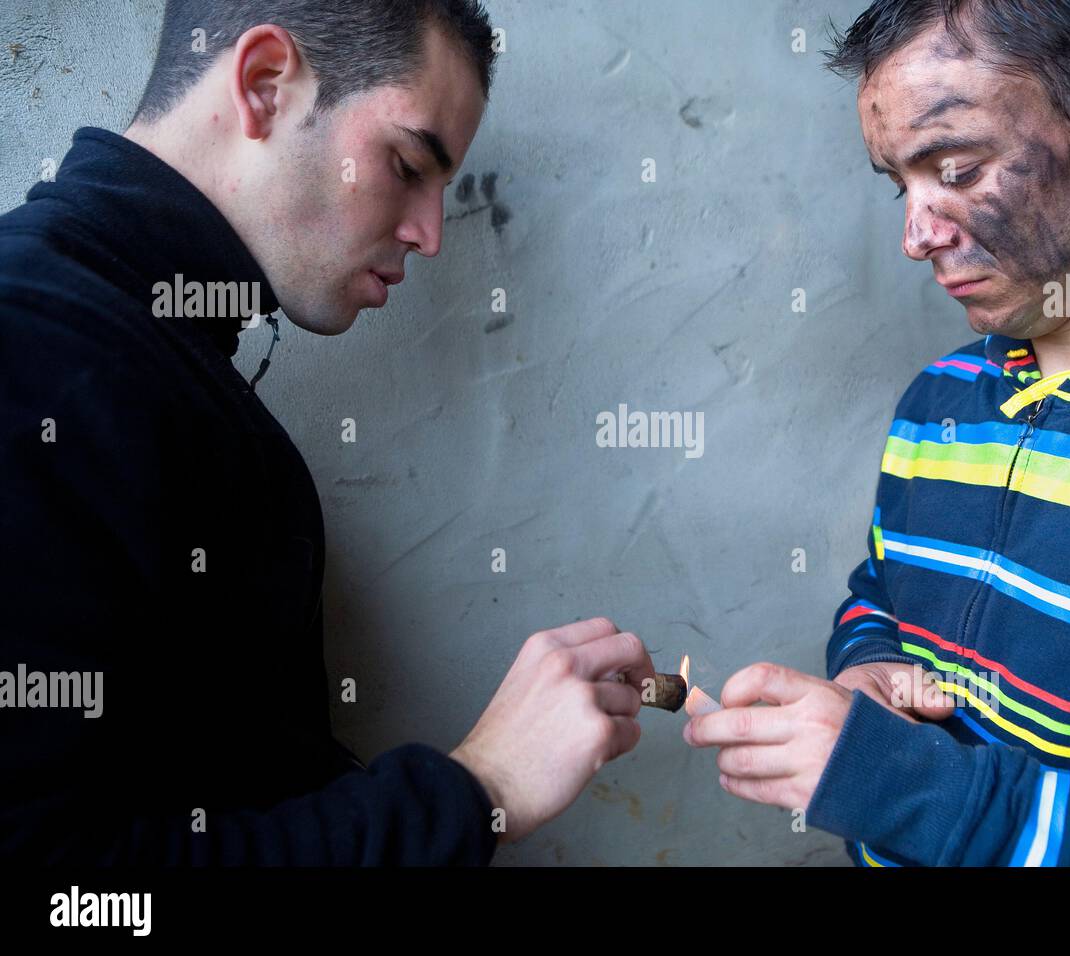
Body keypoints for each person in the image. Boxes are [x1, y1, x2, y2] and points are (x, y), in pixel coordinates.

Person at [0, 0, 653, 865]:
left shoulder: (152, 340)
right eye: (408, 162)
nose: (427, 232)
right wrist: (476, 791)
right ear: (266, 86)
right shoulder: (31, 343)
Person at [685, 0, 1070, 866]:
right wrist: (872, 670)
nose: (915, 235)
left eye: (960, 169)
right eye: (900, 184)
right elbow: (882, 599)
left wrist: (903, 784)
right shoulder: (940, 402)